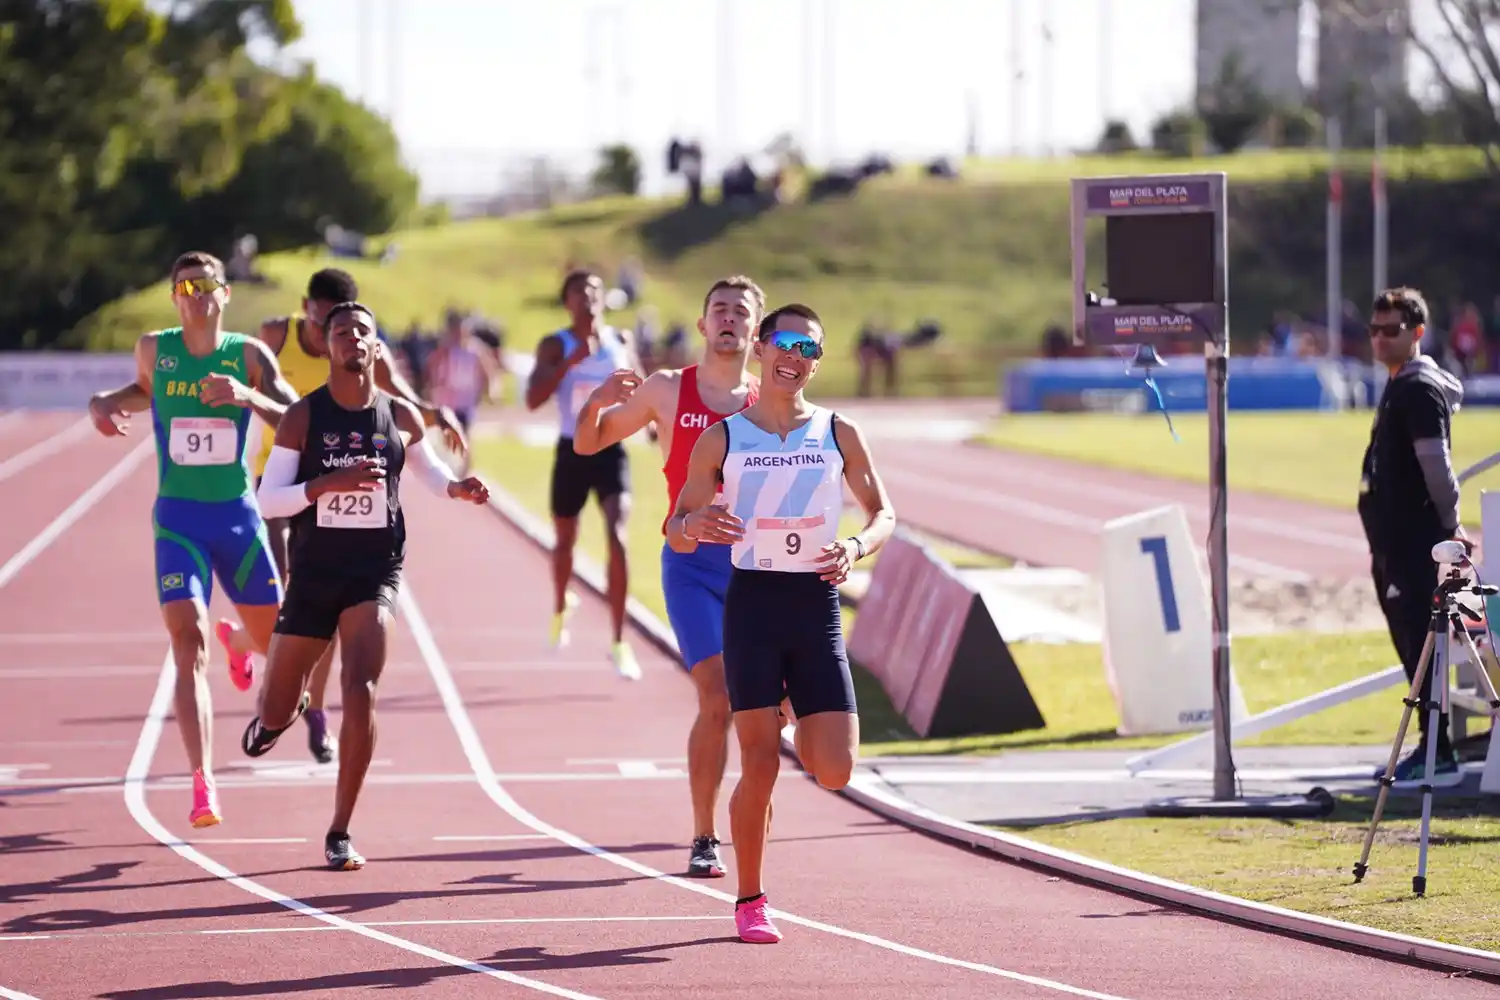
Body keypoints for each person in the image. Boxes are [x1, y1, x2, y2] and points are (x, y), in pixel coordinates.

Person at [666, 303, 896, 944]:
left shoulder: (839, 431)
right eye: (788, 344)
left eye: (812, 350)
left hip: (815, 606)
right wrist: (693, 526)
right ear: (763, 349)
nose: (798, 358)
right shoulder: (724, 437)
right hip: (755, 608)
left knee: (836, 770)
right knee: (759, 762)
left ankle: (791, 704)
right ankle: (750, 900)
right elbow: (676, 528)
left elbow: (884, 514)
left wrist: (854, 547)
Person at [241, 301, 490, 870]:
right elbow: (268, 499)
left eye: (364, 331)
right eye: (342, 331)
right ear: (327, 346)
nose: (354, 338)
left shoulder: (400, 416)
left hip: (375, 570)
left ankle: (340, 829)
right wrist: (331, 482)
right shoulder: (303, 417)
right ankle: (278, 716)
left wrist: (457, 489)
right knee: (279, 707)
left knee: (362, 686)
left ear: (378, 347)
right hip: (313, 574)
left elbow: (427, 473)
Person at [219, 268, 469, 765]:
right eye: (318, 311)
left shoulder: (360, 350)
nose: (323, 322)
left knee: (331, 617)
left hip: (344, 498)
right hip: (282, 473)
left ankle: (314, 713)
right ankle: (258, 657)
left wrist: (432, 414)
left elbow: (396, 392)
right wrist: (251, 405)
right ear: (306, 306)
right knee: (289, 602)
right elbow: (264, 404)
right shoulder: (276, 337)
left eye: (339, 317)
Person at [86, 251, 299, 828]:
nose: (196, 292)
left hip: (238, 519)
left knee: (281, 653)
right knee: (187, 644)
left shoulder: (249, 356)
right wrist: (105, 402)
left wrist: (246, 396)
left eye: (207, 283)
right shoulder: (156, 349)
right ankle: (202, 783)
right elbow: (142, 391)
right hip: (178, 521)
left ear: (225, 293)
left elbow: (298, 419)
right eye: (185, 285)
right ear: (175, 296)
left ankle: (242, 644)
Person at [573, 275, 765, 879]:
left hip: (755, 571)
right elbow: (589, 442)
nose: (729, 318)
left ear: (755, 331)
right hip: (690, 565)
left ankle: (747, 827)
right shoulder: (666, 389)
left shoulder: (771, 401)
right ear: (704, 326)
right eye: (719, 310)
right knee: (718, 698)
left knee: (762, 710)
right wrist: (600, 396)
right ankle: (704, 835)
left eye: (741, 311)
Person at [1359, 286, 1468, 787]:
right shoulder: (1399, 383)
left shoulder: (1418, 389)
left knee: (1421, 646)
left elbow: (1437, 469)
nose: (1380, 339)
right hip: (1394, 543)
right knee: (1413, 647)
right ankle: (1433, 745)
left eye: (1391, 330)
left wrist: (1450, 530)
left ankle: (1436, 749)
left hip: (1413, 544)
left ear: (1417, 333)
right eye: (1374, 330)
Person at [525, 268, 640, 678]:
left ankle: (619, 641)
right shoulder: (557, 344)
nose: (587, 295)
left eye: (594, 288)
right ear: (567, 301)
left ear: (604, 297)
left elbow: (642, 389)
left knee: (618, 534)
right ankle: (560, 604)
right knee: (564, 543)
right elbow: (532, 400)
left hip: (611, 450)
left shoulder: (621, 341)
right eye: (578, 290)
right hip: (572, 449)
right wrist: (565, 366)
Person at [424, 309, 503, 475]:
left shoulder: (476, 349)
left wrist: (491, 390)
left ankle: (466, 467)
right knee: (447, 432)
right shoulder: (446, 348)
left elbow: (487, 369)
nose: (460, 334)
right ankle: (451, 460)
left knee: (464, 431)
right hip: (447, 397)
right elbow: (433, 365)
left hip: (467, 399)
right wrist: (432, 386)